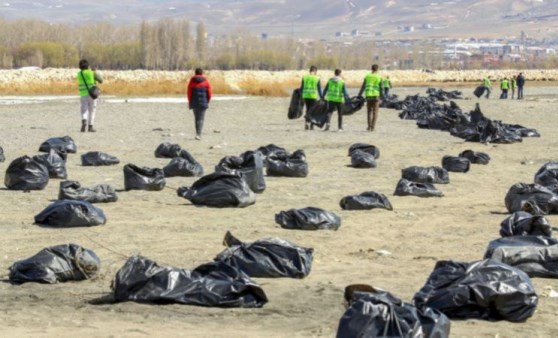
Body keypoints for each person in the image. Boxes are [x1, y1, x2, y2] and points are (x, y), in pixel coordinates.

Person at [77, 59, 102, 132]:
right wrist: (95, 72)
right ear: (88, 66)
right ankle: (90, 127)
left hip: (83, 94)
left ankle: (84, 120)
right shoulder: (92, 73)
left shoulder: (79, 74)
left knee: (84, 109)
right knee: (92, 110)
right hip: (92, 93)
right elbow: (101, 80)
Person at [187, 68, 212, 140]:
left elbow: (189, 93)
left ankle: (197, 133)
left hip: (194, 102)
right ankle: (199, 134)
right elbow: (209, 93)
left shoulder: (192, 81)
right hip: (203, 103)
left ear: (195, 73)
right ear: (202, 73)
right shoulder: (206, 82)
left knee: (196, 118)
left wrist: (190, 102)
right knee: (201, 119)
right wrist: (207, 101)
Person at [358, 64, 383, 132]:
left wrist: (359, 95)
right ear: (377, 69)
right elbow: (381, 88)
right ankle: (373, 127)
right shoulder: (379, 77)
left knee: (369, 112)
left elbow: (363, 86)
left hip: (368, 96)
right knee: (375, 112)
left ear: (371, 69)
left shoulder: (367, 76)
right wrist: (383, 97)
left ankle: (368, 127)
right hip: (376, 97)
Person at [300, 65, 322, 130]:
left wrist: (300, 95)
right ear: (315, 71)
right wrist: (322, 97)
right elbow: (319, 89)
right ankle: (312, 126)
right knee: (313, 111)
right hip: (313, 96)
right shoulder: (317, 78)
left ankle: (306, 123)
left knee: (307, 109)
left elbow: (302, 88)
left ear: (310, 71)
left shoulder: (304, 77)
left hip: (305, 96)